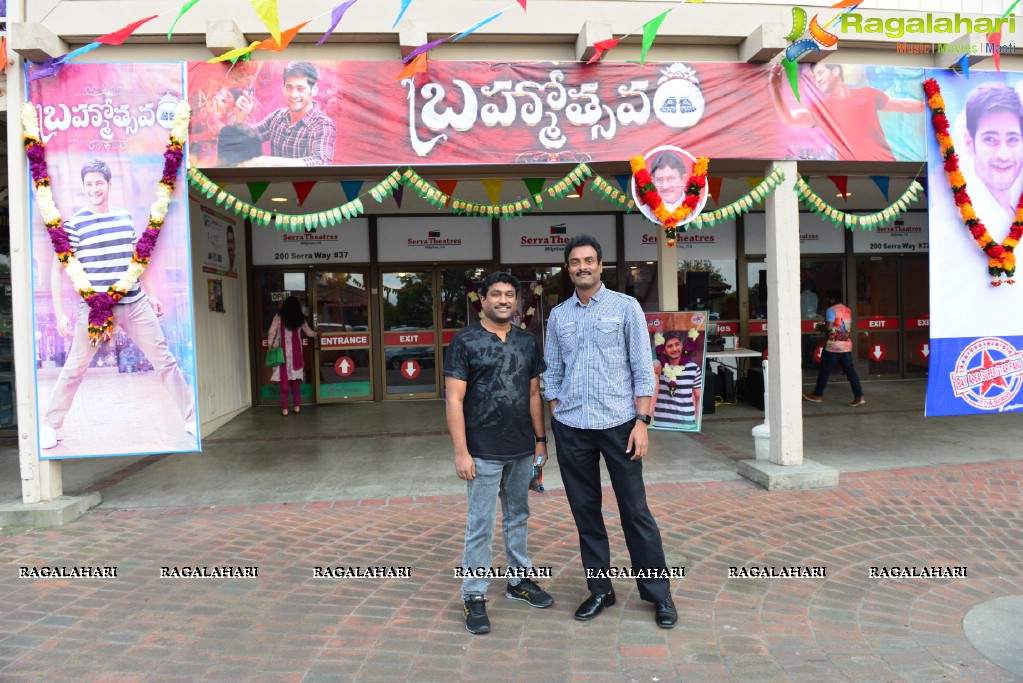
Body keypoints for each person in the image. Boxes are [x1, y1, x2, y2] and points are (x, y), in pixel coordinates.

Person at [542, 235, 677, 629]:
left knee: (635, 512)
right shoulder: (559, 315)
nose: (581, 267)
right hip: (572, 428)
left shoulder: (625, 307)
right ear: (568, 270)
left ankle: (659, 594)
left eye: (588, 261)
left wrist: (642, 422)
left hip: (620, 426)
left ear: (600, 266)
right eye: (574, 262)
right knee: (586, 513)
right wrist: (556, 409)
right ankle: (601, 589)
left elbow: (643, 368)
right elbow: (552, 370)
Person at [40, 159, 196, 449]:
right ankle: (51, 425)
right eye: (89, 184)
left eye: (99, 182)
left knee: (164, 360)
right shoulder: (74, 226)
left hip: (134, 302)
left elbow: (139, 261)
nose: (94, 188)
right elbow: (56, 269)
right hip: (94, 307)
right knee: (74, 368)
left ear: (109, 185)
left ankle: (190, 418)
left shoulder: (124, 219)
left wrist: (151, 294)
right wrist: (60, 313)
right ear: (83, 187)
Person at [443, 272, 553, 635]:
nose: (503, 300)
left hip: (522, 448)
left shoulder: (527, 341)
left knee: (518, 515)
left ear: (517, 301)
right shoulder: (465, 341)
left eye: (509, 295)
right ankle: (473, 595)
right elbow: (454, 399)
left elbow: (534, 394)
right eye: (496, 294)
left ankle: (519, 581)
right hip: (483, 450)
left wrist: (541, 441)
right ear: (483, 300)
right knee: (480, 523)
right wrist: (461, 452)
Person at [768, 61, 924, 161]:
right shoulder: (822, 109)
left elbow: (903, 104)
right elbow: (789, 118)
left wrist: (931, 104)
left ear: (835, 71)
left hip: (888, 166)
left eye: (821, 73)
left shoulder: (868, 94)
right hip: (854, 174)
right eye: (815, 77)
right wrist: (774, 89)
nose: (818, 80)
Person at [230, 61, 337, 166]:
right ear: (283, 88)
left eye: (300, 89)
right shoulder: (277, 117)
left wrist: (270, 162)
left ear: (313, 90)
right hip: (276, 183)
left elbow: (322, 162)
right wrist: (241, 115)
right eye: (289, 87)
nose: (293, 94)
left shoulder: (323, 124)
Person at [961, 81, 1023, 226]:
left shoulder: (1014, 208)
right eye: (990, 139)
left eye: (1012, 139)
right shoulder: (950, 224)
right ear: (970, 144)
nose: (1003, 155)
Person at [803, 287, 865, 406]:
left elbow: (828, 328)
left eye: (828, 297)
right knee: (850, 371)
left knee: (824, 370)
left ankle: (817, 394)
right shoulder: (847, 310)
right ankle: (859, 396)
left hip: (833, 346)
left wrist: (820, 327)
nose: (826, 299)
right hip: (846, 345)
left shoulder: (830, 310)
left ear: (832, 298)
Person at [268, 296, 317, 416]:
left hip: (281, 353)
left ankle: (285, 410)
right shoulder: (300, 318)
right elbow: (309, 333)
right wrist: (318, 333)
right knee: (295, 381)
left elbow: (272, 332)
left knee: (284, 380)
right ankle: (297, 407)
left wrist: (270, 346)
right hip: (295, 353)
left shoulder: (278, 317)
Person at [649, 330, 703, 430]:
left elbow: (699, 397)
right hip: (661, 424)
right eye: (670, 346)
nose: (675, 349)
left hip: (687, 424)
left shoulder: (693, 368)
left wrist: (698, 422)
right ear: (663, 350)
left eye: (677, 344)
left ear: (682, 345)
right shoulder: (658, 368)